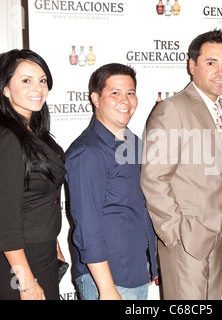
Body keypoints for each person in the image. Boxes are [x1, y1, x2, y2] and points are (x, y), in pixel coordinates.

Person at [140, 29, 222, 300]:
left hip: (218, 238)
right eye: (211, 63)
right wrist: (177, 235)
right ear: (192, 65)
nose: (221, 71)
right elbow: (154, 178)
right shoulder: (172, 109)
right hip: (186, 240)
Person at [65, 63, 158, 300]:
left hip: (135, 270)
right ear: (95, 99)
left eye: (130, 92)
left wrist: (152, 263)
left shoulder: (134, 143)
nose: (125, 100)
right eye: (114, 93)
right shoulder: (87, 152)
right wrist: (106, 289)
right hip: (107, 280)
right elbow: (87, 227)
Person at [0, 49, 66, 300]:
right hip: (19, 261)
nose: (38, 88)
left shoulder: (35, 134)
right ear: (4, 88)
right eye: (26, 80)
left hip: (43, 253)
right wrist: (25, 281)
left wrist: (55, 245)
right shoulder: (4, 139)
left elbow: (40, 199)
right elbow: (4, 221)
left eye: (42, 80)